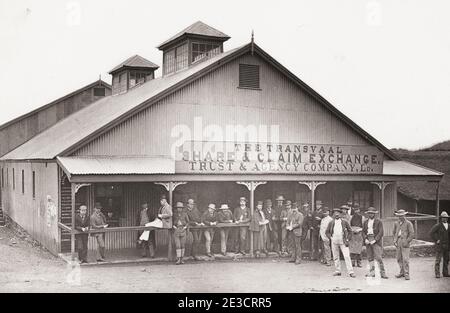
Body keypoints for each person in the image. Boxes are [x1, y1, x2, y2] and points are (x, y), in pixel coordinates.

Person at [326, 208, 355, 278]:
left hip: (343, 241)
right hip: (334, 241)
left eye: (338, 213)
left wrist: (348, 239)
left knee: (347, 256)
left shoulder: (344, 222)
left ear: (340, 214)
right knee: (336, 256)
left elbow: (350, 231)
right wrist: (331, 237)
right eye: (335, 213)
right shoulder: (331, 222)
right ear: (333, 214)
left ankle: (351, 272)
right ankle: (337, 270)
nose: (336, 214)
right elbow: (327, 232)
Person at [362, 207, 388, 279]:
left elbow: (381, 232)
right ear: (368, 214)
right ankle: (372, 272)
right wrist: (365, 239)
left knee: (378, 257)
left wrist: (375, 240)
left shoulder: (378, 222)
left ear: (374, 214)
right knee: (370, 257)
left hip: (376, 240)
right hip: (368, 239)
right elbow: (363, 232)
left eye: (372, 213)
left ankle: (382, 273)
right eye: (369, 213)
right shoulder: (365, 222)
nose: (371, 214)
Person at [393, 209, 414, 280]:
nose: (400, 217)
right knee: (399, 258)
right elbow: (394, 232)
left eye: (402, 216)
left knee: (405, 259)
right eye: (399, 216)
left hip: (405, 242)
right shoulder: (396, 223)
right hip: (398, 241)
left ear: (404, 215)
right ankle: (402, 272)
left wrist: (407, 241)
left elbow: (411, 234)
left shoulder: (408, 223)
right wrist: (395, 240)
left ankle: (406, 274)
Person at [429, 211, 450, 278]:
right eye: (443, 218)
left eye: (446, 218)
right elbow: (431, 233)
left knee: (446, 260)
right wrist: (436, 239)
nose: (445, 219)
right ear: (441, 218)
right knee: (438, 260)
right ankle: (437, 274)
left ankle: (445, 273)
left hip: (447, 246)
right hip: (440, 246)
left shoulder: (449, 226)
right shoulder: (438, 226)